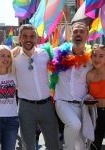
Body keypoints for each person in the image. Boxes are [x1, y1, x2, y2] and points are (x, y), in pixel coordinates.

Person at [14, 24, 59, 150]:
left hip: (47, 106)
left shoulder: (46, 54)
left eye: (32, 36)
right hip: (25, 107)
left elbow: (64, 63)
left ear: (36, 38)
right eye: (25, 36)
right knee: (27, 146)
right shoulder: (13, 58)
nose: (28, 39)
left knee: (53, 144)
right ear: (20, 39)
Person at [50, 22, 92, 150]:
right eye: (75, 31)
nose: (78, 34)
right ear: (70, 35)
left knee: (81, 145)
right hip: (62, 102)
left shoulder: (92, 57)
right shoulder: (58, 53)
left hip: (82, 105)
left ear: (87, 36)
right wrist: (16, 49)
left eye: (81, 31)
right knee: (74, 125)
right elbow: (38, 52)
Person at [86, 44, 105, 150]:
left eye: (101, 56)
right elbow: (89, 93)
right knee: (94, 145)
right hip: (95, 114)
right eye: (95, 55)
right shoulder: (89, 75)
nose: (97, 59)